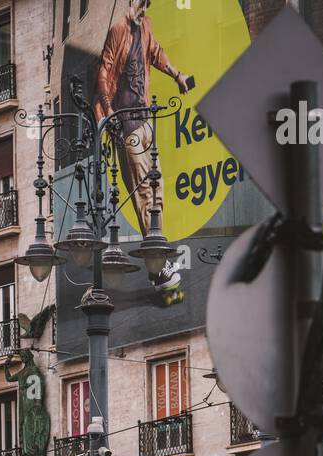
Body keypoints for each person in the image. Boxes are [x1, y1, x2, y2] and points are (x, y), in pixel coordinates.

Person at [94, 0, 191, 289]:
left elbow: (157, 53)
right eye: (142, 2)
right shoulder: (118, 30)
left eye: (148, 3)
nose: (145, 7)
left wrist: (177, 75)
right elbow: (104, 71)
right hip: (126, 124)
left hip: (145, 119)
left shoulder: (145, 26)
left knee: (157, 186)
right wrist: (109, 111)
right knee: (143, 193)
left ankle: (156, 259)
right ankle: (158, 262)